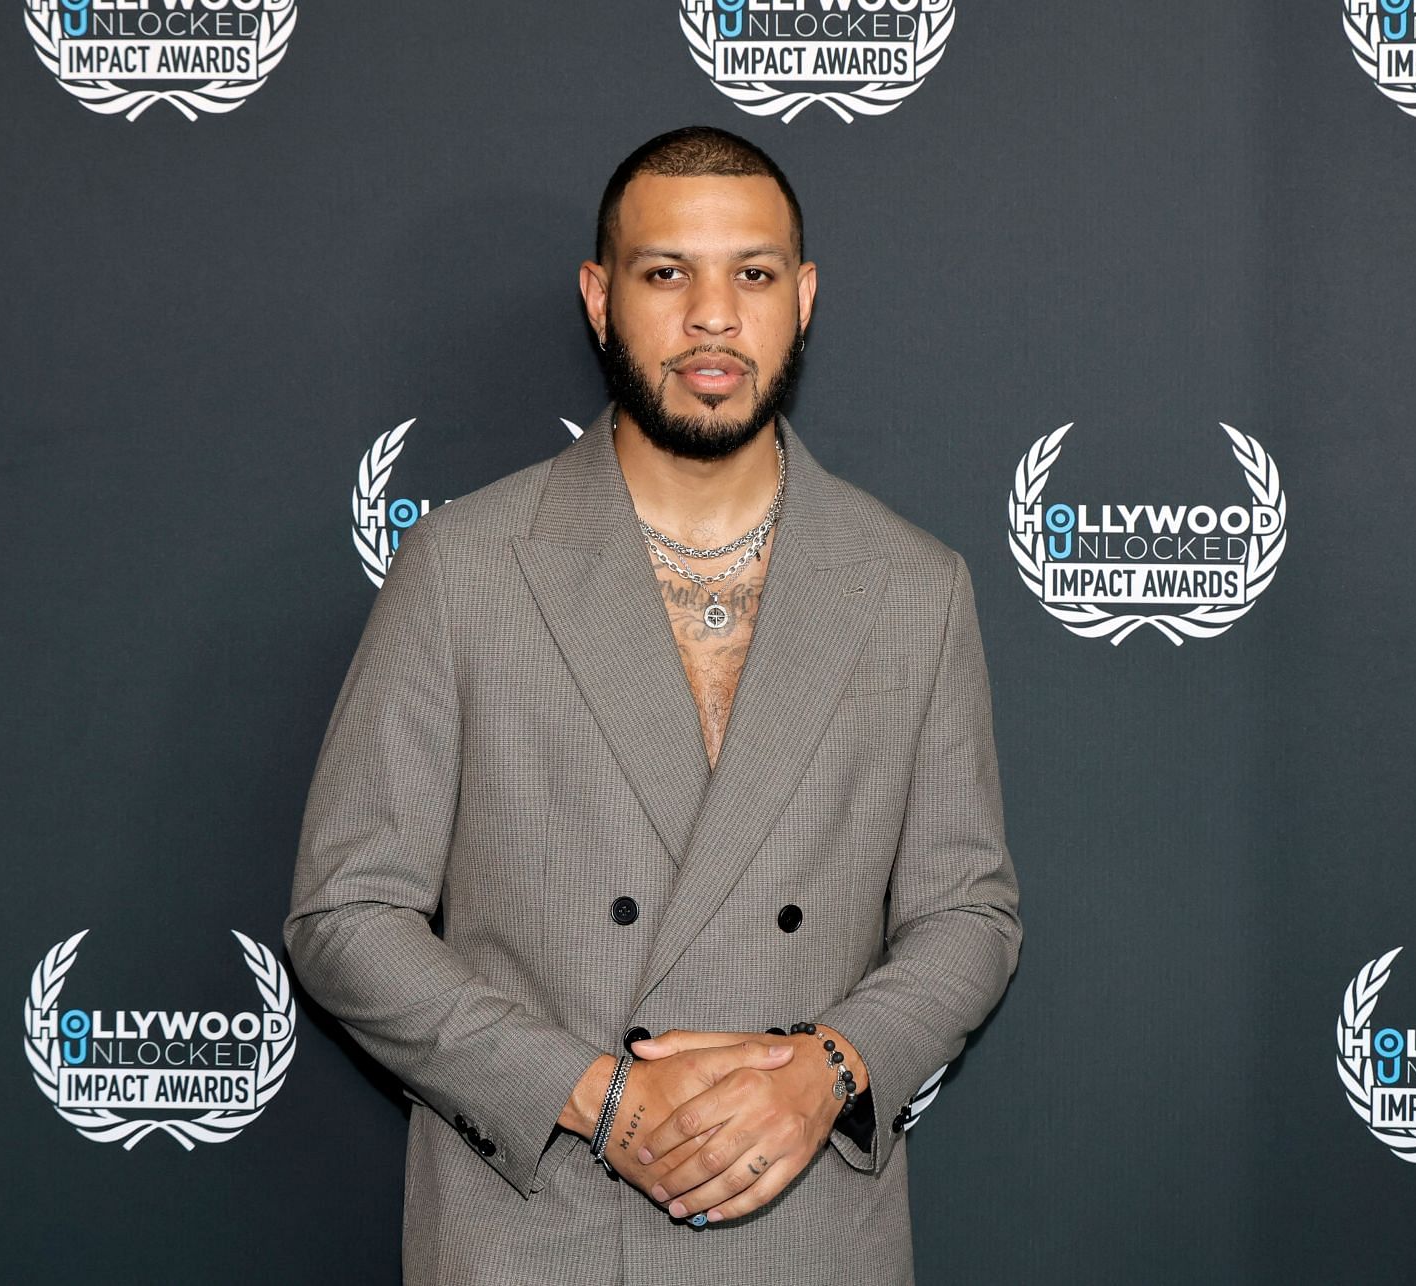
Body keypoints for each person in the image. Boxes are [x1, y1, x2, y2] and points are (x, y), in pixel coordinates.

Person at [285, 125, 1022, 1285]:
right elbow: (346, 914)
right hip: (536, 1235)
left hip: (805, 1234)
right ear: (599, 296)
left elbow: (968, 912)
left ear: (805, 297)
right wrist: (593, 1093)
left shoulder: (912, 585)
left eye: (755, 274)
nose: (713, 316)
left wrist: (825, 1068)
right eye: (667, 273)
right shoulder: (465, 566)